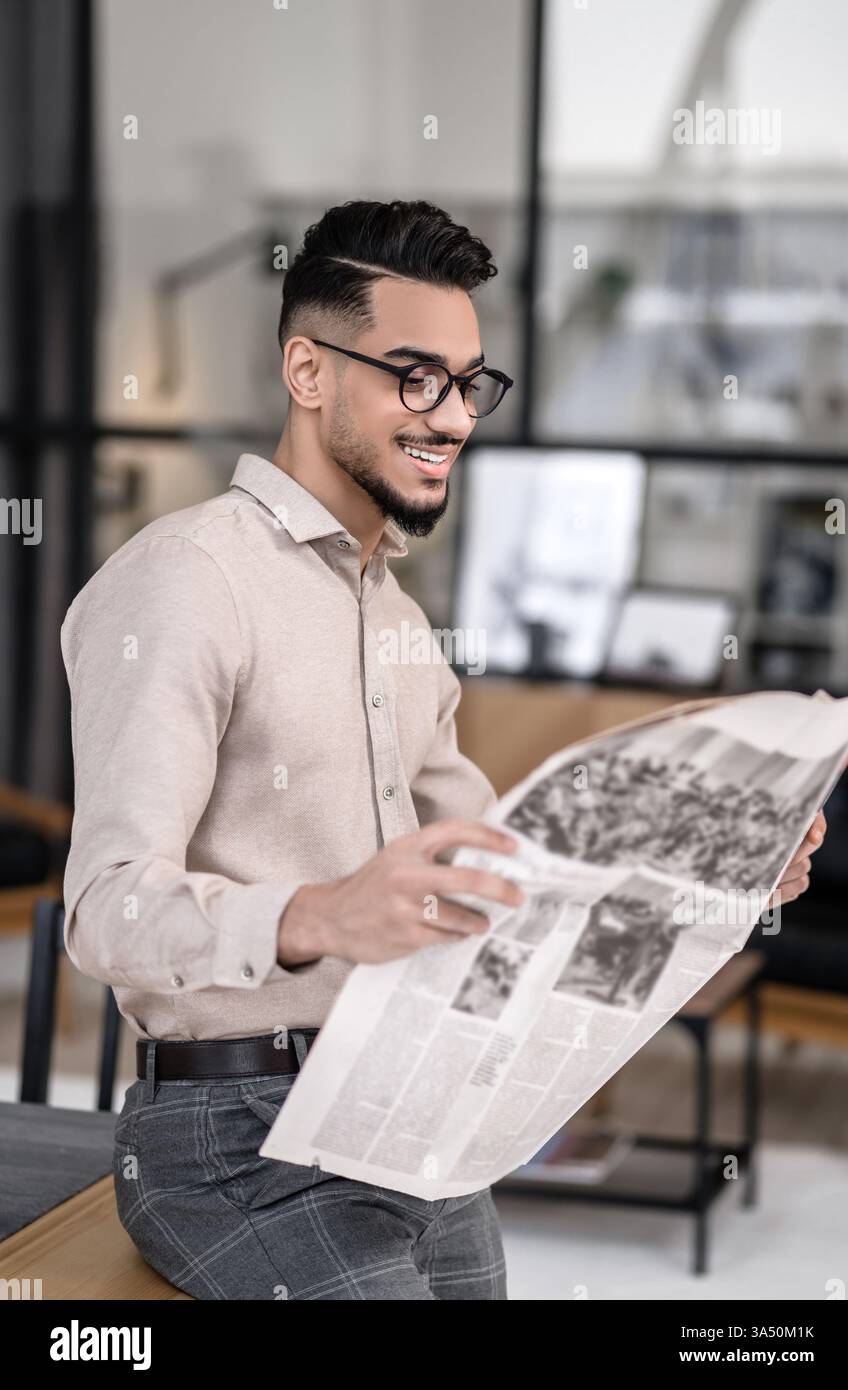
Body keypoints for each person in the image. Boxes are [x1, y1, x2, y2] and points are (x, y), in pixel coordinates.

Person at [60, 199, 525, 1300]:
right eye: (416, 375)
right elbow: (104, 908)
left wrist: (721, 876)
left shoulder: (401, 623)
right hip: (228, 1138)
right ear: (308, 372)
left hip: (403, 1102)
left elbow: (504, 868)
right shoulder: (186, 579)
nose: (451, 415)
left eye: (467, 382)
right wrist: (314, 916)